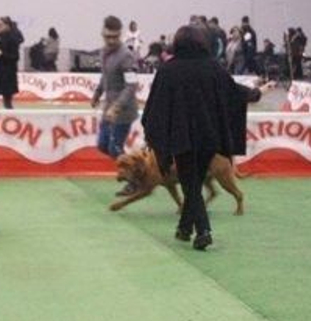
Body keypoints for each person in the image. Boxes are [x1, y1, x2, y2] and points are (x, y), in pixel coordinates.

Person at [142, 25, 266, 251]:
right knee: (194, 182)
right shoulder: (213, 68)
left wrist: (156, 139)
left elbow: (155, 108)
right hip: (210, 137)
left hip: (182, 138)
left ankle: (204, 230)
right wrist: (255, 93)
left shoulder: (168, 71)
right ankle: (184, 228)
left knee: (190, 185)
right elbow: (233, 91)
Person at [91, 15, 138, 173]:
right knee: (102, 145)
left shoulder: (126, 56)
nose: (111, 40)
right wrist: (97, 93)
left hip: (124, 110)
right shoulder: (103, 52)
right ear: (102, 33)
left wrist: (117, 107)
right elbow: (105, 75)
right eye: (108, 37)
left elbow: (131, 85)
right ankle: (135, 170)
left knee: (114, 148)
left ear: (120, 35)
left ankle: (137, 176)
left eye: (115, 37)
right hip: (108, 108)